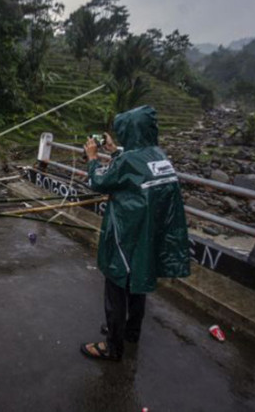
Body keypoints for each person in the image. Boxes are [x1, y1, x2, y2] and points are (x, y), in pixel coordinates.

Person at [80, 105, 191, 361]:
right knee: (137, 284)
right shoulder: (158, 156)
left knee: (116, 286)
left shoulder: (129, 160)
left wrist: (93, 159)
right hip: (148, 237)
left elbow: (99, 182)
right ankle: (131, 332)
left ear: (130, 131)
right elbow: (135, 167)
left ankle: (112, 347)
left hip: (127, 236)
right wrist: (115, 150)